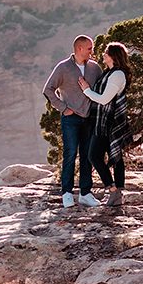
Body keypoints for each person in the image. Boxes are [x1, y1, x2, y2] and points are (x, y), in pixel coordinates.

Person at [42, 35, 102, 208]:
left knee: (87, 156)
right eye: (90, 48)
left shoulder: (94, 68)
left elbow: (102, 88)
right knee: (69, 154)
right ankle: (67, 193)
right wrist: (63, 108)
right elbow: (48, 89)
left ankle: (85, 193)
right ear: (80, 49)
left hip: (89, 118)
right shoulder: (63, 67)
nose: (92, 51)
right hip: (70, 119)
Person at [79, 41, 133, 206]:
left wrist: (86, 90)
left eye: (105, 53)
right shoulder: (110, 72)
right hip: (102, 121)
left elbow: (104, 99)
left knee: (94, 156)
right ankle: (116, 193)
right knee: (113, 157)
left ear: (113, 56)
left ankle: (114, 191)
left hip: (108, 123)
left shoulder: (117, 75)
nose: (103, 55)